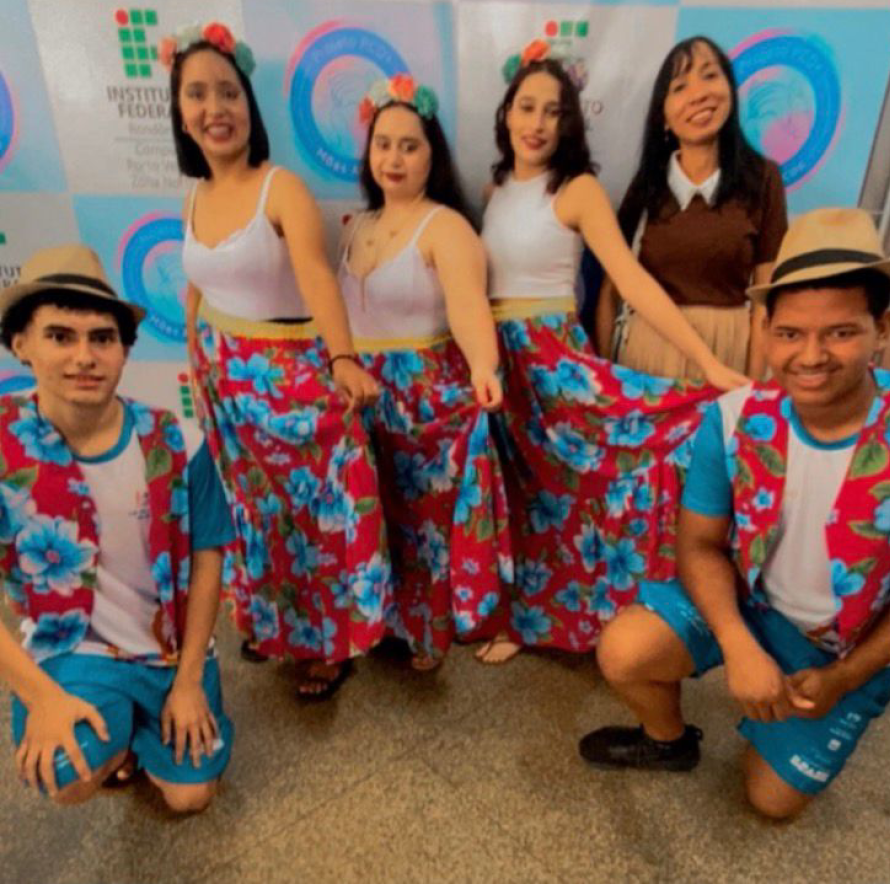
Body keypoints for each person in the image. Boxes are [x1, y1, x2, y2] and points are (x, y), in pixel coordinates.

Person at [580, 208, 890, 820]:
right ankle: (668, 742)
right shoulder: (730, 420)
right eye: (789, 334)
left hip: (842, 648)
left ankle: (805, 723)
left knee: (771, 802)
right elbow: (699, 545)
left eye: (840, 332)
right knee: (624, 650)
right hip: (749, 605)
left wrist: (846, 675)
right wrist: (738, 644)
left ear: (881, 327)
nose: (811, 356)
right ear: (765, 329)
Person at [475, 41, 747, 664]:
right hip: (500, 364)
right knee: (522, 497)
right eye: (527, 107)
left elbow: (630, 279)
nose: (538, 123)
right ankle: (522, 617)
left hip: (551, 362)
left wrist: (706, 364)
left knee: (574, 494)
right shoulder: (493, 191)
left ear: (569, 123)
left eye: (553, 111)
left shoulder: (576, 189)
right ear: (506, 115)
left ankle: (616, 622)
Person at [161, 22, 390, 698]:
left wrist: (343, 358)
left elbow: (317, 275)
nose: (215, 108)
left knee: (311, 516)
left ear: (248, 105)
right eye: (197, 94)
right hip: (224, 384)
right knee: (255, 518)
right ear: (180, 113)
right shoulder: (194, 195)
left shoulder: (280, 186)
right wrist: (197, 360)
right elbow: (199, 282)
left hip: (290, 380)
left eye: (228, 92)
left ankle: (329, 640)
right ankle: (274, 624)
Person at [0, 244, 235, 812]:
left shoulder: (180, 442)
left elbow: (208, 558)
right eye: (60, 336)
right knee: (66, 775)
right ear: (21, 345)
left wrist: (186, 681)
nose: (84, 356)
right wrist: (41, 697)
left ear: (125, 351)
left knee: (190, 797)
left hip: (167, 649)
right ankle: (113, 733)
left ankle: (138, 721)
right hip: (72, 645)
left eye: (101, 338)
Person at [339, 75, 510, 669]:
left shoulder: (446, 227)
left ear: (431, 154)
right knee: (374, 510)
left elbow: (468, 307)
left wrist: (484, 366)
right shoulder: (353, 227)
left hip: (422, 397)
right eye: (383, 143)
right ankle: (381, 620)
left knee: (422, 523)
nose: (393, 157)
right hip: (361, 393)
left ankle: (428, 633)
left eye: (409, 145)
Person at [594, 36, 787, 381]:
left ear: (730, 88)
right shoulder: (647, 185)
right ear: (663, 116)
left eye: (710, 76)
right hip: (648, 358)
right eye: (680, 86)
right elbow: (611, 291)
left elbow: (764, 300)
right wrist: (608, 377)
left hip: (730, 353)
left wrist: (755, 390)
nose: (699, 94)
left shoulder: (763, 179)